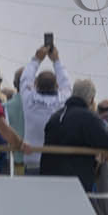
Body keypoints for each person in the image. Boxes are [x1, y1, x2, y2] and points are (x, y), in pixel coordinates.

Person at [42, 78, 108, 192]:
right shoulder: (88, 118)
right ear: (91, 99)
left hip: (50, 178)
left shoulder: (55, 117)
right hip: (77, 180)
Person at [21, 44, 71, 173]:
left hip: (33, 163)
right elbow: (66, 82)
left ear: (36, 84)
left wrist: (36, 59)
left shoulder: (29, 100)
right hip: (58, 163)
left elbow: (25, 78)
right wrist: (56, 60)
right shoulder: (64, 101)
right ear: (56, 85)